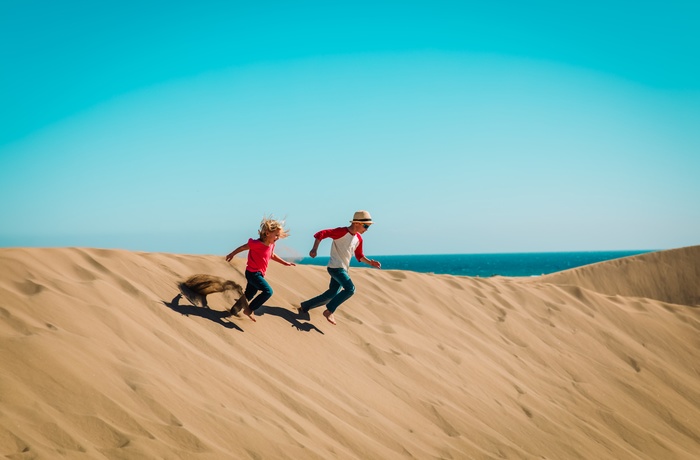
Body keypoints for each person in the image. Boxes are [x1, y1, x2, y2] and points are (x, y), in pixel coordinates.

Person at [299, 210, 381, 325]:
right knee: (350, 289)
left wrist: (370, 262)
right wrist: (314, 249)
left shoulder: (358, 238)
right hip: (335, 268)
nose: (367, 229)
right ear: (357, 223)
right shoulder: (341, 232)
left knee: (331, 294)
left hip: (343, 269)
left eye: (368, 227)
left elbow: (359, 255)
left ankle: (305, 306)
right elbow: (321, 234)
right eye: (366, 226)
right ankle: (329, 311)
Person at [225, 217, 295, 321]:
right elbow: (243, 247)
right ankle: (249, 310)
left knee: (249, 294)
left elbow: (272, 255)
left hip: (259, 274)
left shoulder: (271, 245)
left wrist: (284, 263)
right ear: (267, 233)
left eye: (278, 235)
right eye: (276, 235)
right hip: (252, 273)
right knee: (268, 291)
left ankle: (233, 311)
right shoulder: (256, 244)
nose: (278, 237)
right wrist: (232, 254)